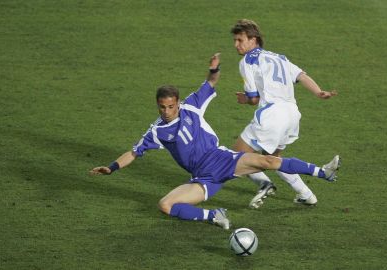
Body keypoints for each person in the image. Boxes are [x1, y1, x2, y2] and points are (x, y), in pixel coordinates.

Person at [90, 53, 340, 230]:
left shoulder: (191, 106)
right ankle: (214, 216)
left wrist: (213, 69)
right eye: (162, 107)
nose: (166, 111)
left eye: (170, 106)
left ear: (177, 102)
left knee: (268, 160)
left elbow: (210, 83)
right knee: (165, 204)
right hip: (203, 178)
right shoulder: (156, 131)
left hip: (222, 160)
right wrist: (111, 168)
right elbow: (133, 153)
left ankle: (323, 172)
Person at [230, 19, 338, 208]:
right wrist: (319, 92)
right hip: (292, 114)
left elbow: (254, 98)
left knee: (236, 156)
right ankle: (307, 194)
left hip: (272, 115)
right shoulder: (280, 57)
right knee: (276, 159)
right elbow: (301, 76)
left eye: (240, 40)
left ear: (253, 39)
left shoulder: (247, 61)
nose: (236, 45)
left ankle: (265, 184)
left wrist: (244, 100)